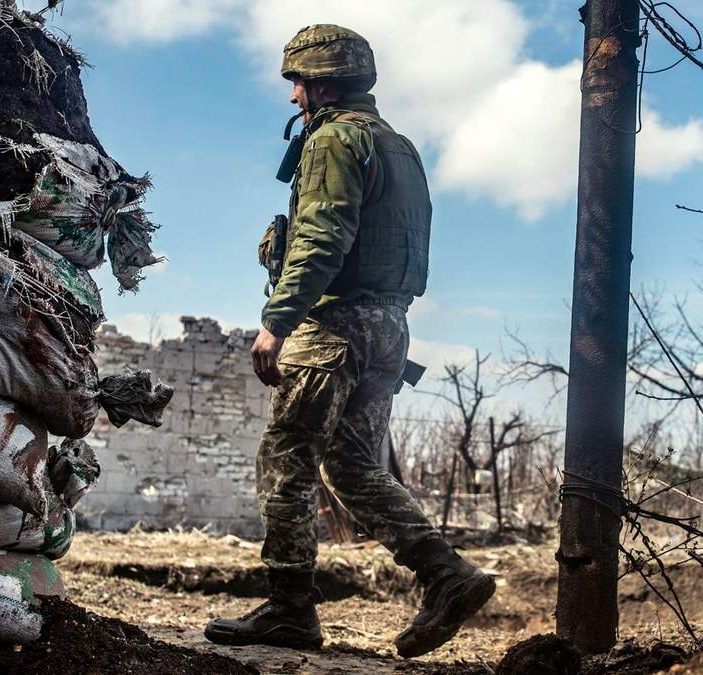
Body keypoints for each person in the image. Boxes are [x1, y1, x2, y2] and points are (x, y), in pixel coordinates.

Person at [204, 24, 494, 658]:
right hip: (388, 329)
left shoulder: (334, 140)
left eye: (299, 84)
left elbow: (323, 237)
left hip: (333, 327)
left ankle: (289, 611)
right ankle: (448, 575)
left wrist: (278, 321)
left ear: (324, 85)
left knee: (286, 459)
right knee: (355, 466)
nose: (293, 98)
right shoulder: (400, 146)